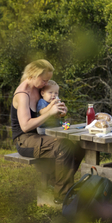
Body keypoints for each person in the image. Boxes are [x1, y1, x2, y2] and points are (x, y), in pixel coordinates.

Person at [11, 59, 82, 203]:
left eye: (48, 80)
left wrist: (60, 111)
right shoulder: (22, 94)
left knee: (79, 145)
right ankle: (62, 196)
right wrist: (49, 113)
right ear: (33, 75)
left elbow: (47, 108)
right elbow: (25, 126)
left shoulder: (38, 89)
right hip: (24, 140)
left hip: (40, 136)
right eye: (44, 80)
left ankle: (56, 184)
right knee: (63, 146)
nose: (46, 83)